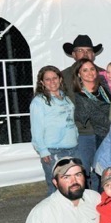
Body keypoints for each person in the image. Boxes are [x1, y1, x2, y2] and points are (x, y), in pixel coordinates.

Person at [31, 66, 78, 195]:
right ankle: (52, 215)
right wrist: (43, 150)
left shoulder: (65, 97)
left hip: (72, 147)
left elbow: (71, 120)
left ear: (60, 79)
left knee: (72, 186)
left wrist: (76, 135)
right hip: (53, 150)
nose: (52, 82)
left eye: (55, 78)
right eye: (47, 79)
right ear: (42, 82)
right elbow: (36, 129)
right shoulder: (39, 102)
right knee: (57, 188)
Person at [71, 57, 111, 190]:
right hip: (103, 136)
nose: (90, 73)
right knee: (103, 174)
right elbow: (83, 118)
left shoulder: (103, 85)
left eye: (92, 69)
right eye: (85, 70)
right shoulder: (80, 96)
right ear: (79, 74)